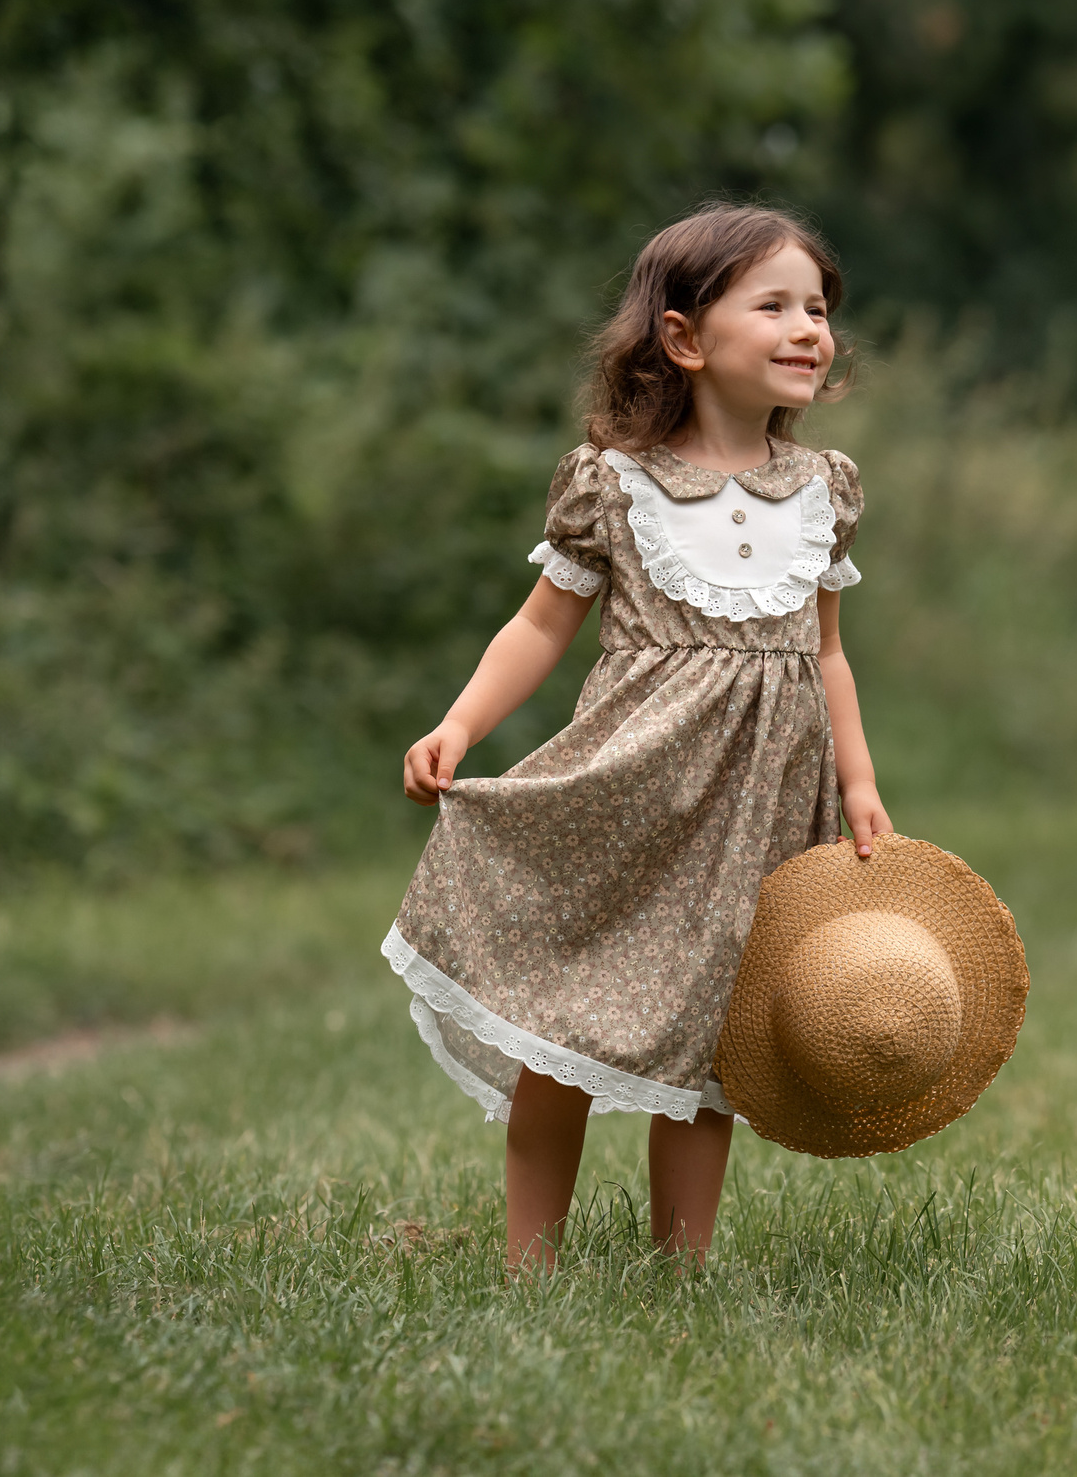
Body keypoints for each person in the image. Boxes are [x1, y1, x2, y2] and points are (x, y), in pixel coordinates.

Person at [381, 204, 890, 1275]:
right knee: (566, 1020)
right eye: (774, 306)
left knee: (715, 1039)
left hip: (759, 808)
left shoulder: (824, 491)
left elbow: (828, 651)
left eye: (817, 308)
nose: (809, 329)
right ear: (684, 338)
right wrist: (460, 723)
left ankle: (682, 1264)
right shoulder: (614, 484)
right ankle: (531, 1261)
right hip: (628, 792)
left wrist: (858, 781)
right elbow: (539, 626)